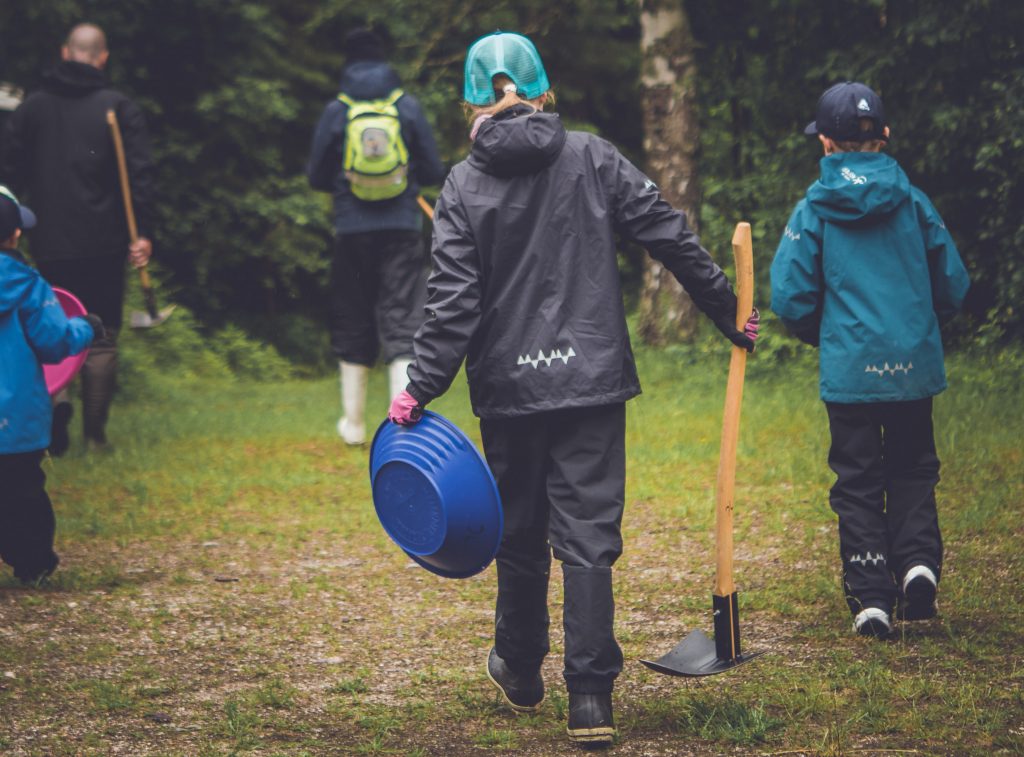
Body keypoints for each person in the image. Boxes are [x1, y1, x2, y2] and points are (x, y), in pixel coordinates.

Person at [387, 32, 758, 746]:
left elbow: (452, 302)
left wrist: (420, 387)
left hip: (509, 391)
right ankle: (591, 699)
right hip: (589, 384)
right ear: (543, 89)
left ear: (472, 98)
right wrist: (727, 310)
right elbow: (669, 234)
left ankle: (521, 669)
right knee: (588, 537)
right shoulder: (592, 155)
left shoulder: (464, 184)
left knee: (519, 532)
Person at [770, 82, 970, 639]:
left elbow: (790, 296)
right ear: (884, 135)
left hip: (851, 369)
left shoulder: (814, 210)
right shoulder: (913, 201)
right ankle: (918, 567)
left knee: (857, 480)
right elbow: (952, 282)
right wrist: (917, 327)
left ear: (826, 143)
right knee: (913, 469)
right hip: (912, 366)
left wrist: (824, 335)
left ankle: (871, 598)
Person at [0, 23, 156, 454]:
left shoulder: (32, 108)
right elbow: (140, 175)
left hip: (47, 239)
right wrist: (142, 233)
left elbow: (8, 174)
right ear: (102, 58)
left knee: (46, 324)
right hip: (105, 244)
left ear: (64, 51)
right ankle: (95, 435)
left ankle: (59, 402)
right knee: (101, 333)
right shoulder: (117, 106)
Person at [307, 27, 446, 446]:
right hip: (402, 224)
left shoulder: (337, 110)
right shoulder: (406, 106)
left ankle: (353, 426)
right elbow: (436, 170)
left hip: (352, 228)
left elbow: (316, 175)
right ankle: (403, 424)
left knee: (353, 314)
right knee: (403, 314)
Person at [0, 185, 99, 583]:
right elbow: (55, 342)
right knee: (24, 491)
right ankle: (33, 560)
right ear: (15, 235)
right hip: (18, 417)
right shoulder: (27, 285)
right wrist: (85, 327)